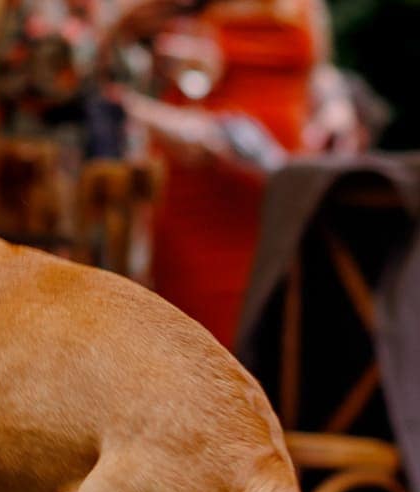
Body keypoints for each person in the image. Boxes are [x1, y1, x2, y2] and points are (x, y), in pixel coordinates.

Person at [104, 0, 337, 348]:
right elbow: (112, 55)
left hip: (278, 204)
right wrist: (138, 108)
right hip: (199, 205)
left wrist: (336, 110)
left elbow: (321, 73)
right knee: (204, 347)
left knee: (278, 344)